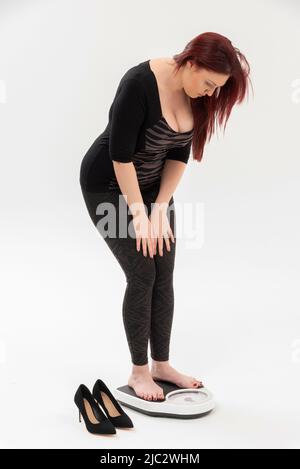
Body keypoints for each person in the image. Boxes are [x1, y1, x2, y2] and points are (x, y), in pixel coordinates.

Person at [79, 32, 251, 401]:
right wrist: (138, 215)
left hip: (156, 189)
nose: (210, 93)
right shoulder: (139, 83)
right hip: (108, 185)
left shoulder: (199, 98)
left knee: (163, 270)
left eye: (217, 88)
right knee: (142, 272)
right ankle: (139, 372)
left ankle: (161, 364)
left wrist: (158, 209)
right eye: (208, 83)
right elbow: (120, 156)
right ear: (191, 62)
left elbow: (177, 157)